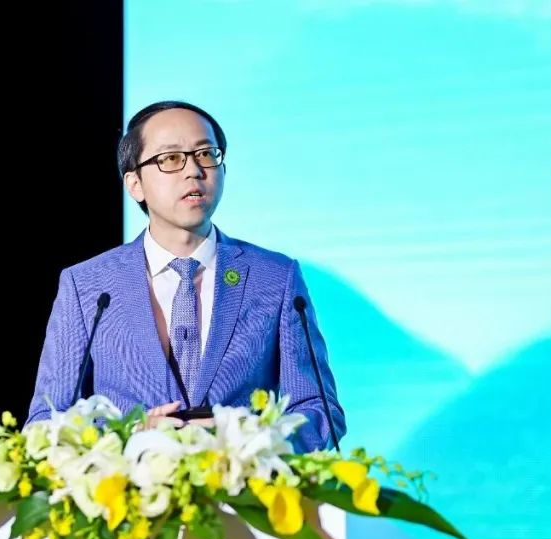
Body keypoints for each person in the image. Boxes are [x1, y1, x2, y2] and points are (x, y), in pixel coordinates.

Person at [25, 100, 345, 453]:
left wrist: (245, 437)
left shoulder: (275, 277)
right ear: (135, 184)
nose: (193, 170)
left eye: (205, 154)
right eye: (171, 158)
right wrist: (130, 436)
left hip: (242, 484)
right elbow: (46, 421)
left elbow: (320, 412)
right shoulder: (88, 286)